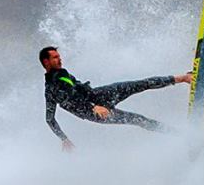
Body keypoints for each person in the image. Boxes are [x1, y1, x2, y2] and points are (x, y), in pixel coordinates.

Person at [40, 46, 190, 150]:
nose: (60, 60)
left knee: (140, 84)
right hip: (96, 112)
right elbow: (52, 117)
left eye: (59, 56)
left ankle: (183, 78)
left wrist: (95, 101)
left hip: (99, 95)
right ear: (46, 62)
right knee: (139, 120)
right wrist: (64, 138)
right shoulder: (52, 88)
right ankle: (183, 136)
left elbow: (79, 90)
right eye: (55, 58)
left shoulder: (62, 73)